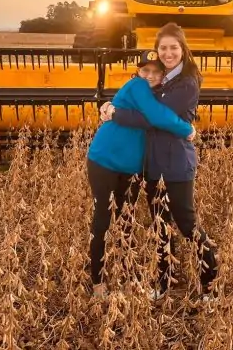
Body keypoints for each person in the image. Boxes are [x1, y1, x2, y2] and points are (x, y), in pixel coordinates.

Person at [101, 22, 218, 303]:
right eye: (163, 48)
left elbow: (153, 118)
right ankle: (163, 283)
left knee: (187, 224)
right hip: (152, 165)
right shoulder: (160, 80)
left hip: (176, 165)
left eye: (173, 47)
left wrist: (115, 114)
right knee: (159, 226)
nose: (168, 53)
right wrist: (110, 105)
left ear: (183, 50)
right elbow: (141, 108)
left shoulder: (187, 82)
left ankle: (211, 284)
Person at [86, 49, 196, 299]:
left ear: (163, 74)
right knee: (103, 218)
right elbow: (156, 118)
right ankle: (98, 281)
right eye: (145, 70)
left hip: (133, 167)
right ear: (138, 71)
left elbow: (148, 118)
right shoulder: (137, 86)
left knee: (127, 221)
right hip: (104, 160)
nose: (149, 75)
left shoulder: (160, 94)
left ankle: (127, 275)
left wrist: (115, 111)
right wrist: (186, 129)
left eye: (156, 71)